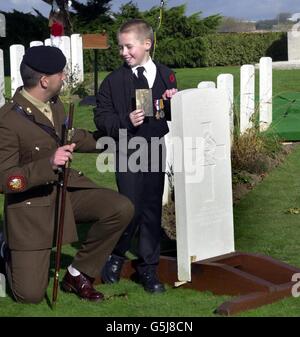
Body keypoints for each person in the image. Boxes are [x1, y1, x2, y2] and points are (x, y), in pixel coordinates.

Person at [0, 46, 134, 304]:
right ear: (44, 80)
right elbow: (4, 178)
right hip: (32, 208)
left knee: (120, 207)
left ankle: (78, 273)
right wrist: (47, 164)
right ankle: (7, 249)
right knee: (29, 296)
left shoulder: (55, 104)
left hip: (64, 193)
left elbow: (71, 137)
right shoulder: (7, 121)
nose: (64, 77)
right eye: (61, 74)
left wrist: (115, 142)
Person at [94, 19, 178, 293]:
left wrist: (173, 101)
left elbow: (170, 115)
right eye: (121, 47)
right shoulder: (113, 81)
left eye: (128, 46)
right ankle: (116, 256)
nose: (123, 52)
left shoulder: (166, 74)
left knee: (152, 208)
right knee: (129, 208)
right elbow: (101, 119)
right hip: (127, 149)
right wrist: (125, 120)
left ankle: (148, 269)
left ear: (147, 44)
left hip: (155, 148)